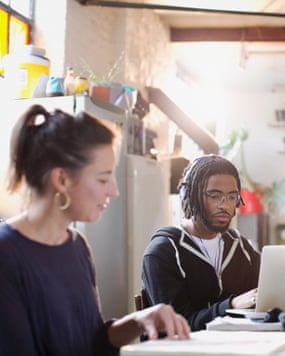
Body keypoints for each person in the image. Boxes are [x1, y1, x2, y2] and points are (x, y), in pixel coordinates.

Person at [0, 105, 190, 356]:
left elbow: (94, 341)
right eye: (103, 179)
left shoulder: (77, 246)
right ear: (62, 180)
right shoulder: (7, 255)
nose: (114, 190)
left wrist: (142, 319)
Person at [142, 154, 261, 331]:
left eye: (231, 197)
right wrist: (231, 305)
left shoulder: (241, 247)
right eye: (214, 196)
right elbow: (174, 326)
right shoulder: (164, 252)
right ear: (190, 196)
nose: (225, 205)